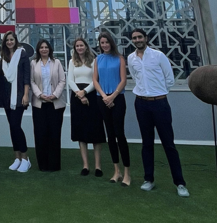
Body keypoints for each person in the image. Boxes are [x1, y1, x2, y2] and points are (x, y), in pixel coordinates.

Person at [128, 28, 189, 197]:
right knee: (147, 143)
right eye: (134, 38)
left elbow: (169, 78)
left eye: (140, 37)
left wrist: (158, 92)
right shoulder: (131, 58)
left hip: (160, 103)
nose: (137, 40)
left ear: (146, 38)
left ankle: (180, 183)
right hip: (141, 104)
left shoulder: (158, 55)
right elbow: (135, 77)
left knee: (168, 143)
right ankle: (149, 179)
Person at [93, 31, 131, 187]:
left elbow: (123, 80)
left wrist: (112, 96)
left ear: (111, 43)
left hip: (117, 99)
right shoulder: (97, 59)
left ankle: (127, 172)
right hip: (102, 99)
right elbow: (95, 80)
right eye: (102, 43)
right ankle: (116, 171)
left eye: (106, 42)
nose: (104, 45)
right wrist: (104, 96)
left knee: (119, 134)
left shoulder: (120, 58)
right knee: (110, 135)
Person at [68, 38, 106, 177]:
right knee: (81, 132)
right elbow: (70, 80)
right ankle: (85, 165)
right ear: (75, 48)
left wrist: (85, 92)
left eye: (81, 45)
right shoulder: (72, 62)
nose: (79, 48)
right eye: (77, 46)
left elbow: (96, 80)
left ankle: (98, 166)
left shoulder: (94, 61)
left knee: (95, 132)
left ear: (86, 46)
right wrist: (79, 93)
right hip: (77, 97)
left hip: (92, 96)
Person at [30, 39, 67, 172]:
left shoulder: (56, 62)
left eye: (46, 47)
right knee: (40, 134)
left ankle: (54, 165)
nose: (44, 49)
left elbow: (62, 80)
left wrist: (55, 95)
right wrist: (39, 94)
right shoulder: (34, 63)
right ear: (38, 50)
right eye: (41, 47)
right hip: (39, 104)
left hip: (55, 104)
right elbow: (32, 81)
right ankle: (43, 165)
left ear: (49, 49)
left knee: (54, 134)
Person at [0, 31, 32, 173]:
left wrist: (25, 95)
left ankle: (25, 158)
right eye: (7, 40)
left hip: (18, 96)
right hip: (6, 96)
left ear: (15, 40)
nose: (9, 42)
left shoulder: (21, 54)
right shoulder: (3, 57)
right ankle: (17, 158)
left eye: (11, 39)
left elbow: (26, 76)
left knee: (15, 125)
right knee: (12, 127)